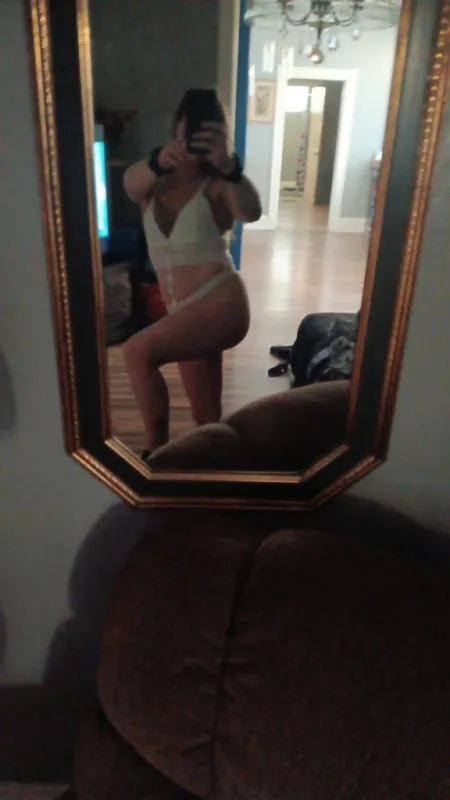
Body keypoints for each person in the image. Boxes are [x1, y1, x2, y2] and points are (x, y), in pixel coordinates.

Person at [122, 90, 262, 458]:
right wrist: (158, 161)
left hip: (220, 301)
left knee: (136, 353)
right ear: (176, 130)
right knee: (206, 418)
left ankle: (155, 451)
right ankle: (214, 466)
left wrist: (229, 167)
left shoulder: (219, 184)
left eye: (208, 132)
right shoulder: (153, 182)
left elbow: (251, 212)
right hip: (184, 311)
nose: (196, 141)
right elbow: (130, 183)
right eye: (190, 131)